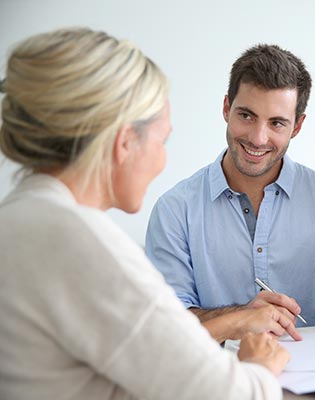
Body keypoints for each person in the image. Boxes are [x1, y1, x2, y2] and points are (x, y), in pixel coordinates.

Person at [0, 27, 289, 400]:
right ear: (125, 143)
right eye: (162, 141)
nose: (162, 160)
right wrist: (261, 367)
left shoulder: (19, 217)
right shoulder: (81, 244)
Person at [145, 44, 315, 334]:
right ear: (226, 108)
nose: (258, 138)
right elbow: (166, 318)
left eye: (277, 123)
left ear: (297, 126)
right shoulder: (174, 211)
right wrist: (241, 316)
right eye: (246, 115)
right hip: (218, 374)